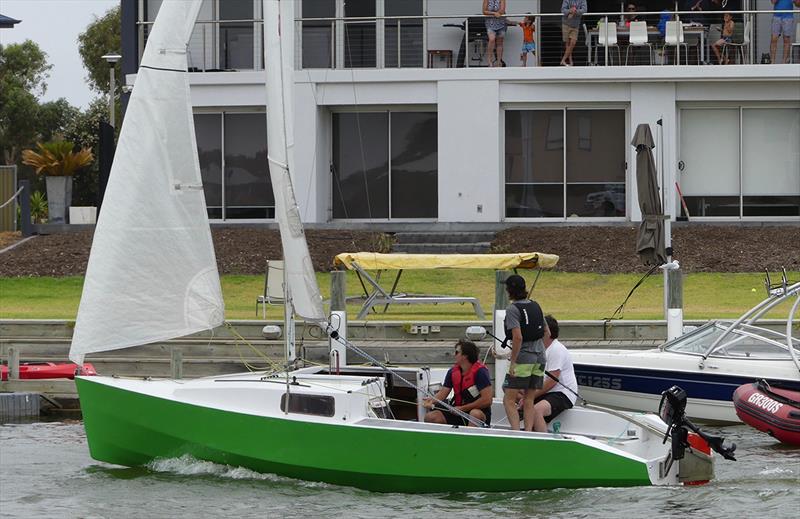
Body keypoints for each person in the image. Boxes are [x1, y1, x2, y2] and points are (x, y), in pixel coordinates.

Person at [501, 274, 548, 432]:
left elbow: (518, 337)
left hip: (524, 357)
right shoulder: (536, 305)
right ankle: (528, 432)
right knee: (529, 398)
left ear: (510, 290)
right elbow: (546, 332)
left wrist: (513, 362)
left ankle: (516, 432)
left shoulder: (513, 309)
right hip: (540, 356)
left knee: (509, 399)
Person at [423, 340, 493, 427]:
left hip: (476, 412)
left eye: (457, 352)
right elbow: (443, 393)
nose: (454, 355)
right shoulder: (452, 372)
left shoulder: (480, 372)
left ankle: (470, 439)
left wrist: (462, 409)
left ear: (465, 356)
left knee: (475, 414)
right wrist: (431, 401)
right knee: (431, 417)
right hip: (457, 411)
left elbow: (487, 400)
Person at [528, 315, 579, 433]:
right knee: (515, 396)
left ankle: (544, 444)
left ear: (548, 332)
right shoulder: (541, 350)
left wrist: (531, 396)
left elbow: (552, 380)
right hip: (548, 393)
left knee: (536, 410)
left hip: (563, 393)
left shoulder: (556, 349)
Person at [771, 0, 800, 64]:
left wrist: (796, 1)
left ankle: (784, 62)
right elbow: (773, 2)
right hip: (776, 17)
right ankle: (772, 62)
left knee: (786, 40)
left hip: (788, 17)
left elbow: (798, 5)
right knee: (774, 39)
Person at [560, 0, 587, 66]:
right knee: (567, 44)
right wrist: (570, 10)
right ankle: (570, 62)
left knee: (573, 43)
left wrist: (574, 12)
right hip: (566, 24)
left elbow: (584, 9)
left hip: (575, 25)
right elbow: (563, 10)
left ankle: (563, 60)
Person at [483, 0, 508, 67]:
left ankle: (499, 61)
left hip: (501, 24)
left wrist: (497, 13)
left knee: (500, 43)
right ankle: (489, 60)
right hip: (490, 24)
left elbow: (502, 10)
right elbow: (484, 11)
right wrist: (494, 13)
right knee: (492, 39)